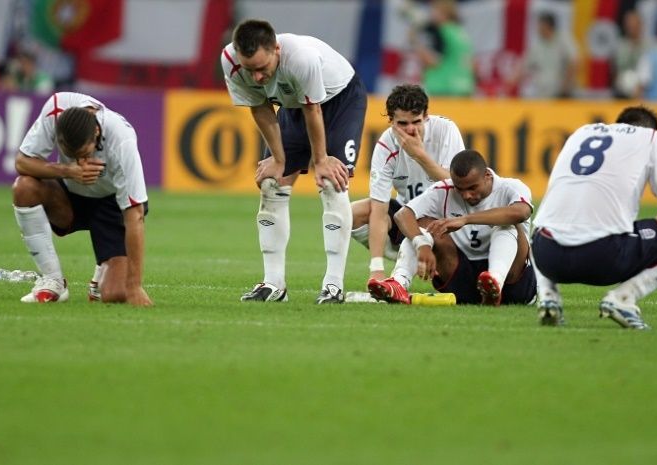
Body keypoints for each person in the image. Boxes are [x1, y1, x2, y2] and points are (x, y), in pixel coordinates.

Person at [220, 19, 367, 304]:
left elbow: (313, 110)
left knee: (331, 182)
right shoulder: (231, 61)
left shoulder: (300, 58)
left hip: (339, 100)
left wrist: (321, 160)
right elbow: (260, 107)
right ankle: (274, 284)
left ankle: (333, 285)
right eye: (251, 70)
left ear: (276, 48)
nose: (258, 78)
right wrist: (277, 159)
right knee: (271, 184)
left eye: (263, 68)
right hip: (292, 104)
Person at [532, 106, 657, 329]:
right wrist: (653, 243)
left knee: (547, 220)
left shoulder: (581, 133)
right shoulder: (650, 137)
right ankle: (624, 298)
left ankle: (547, 294)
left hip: (546, 256)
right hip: (602, 258)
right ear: (651, 129)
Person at [12, 92, 152, 306]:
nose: (80, 160)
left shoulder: (121, 139)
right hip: (69, 196)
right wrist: (68, 170)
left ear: (96, 132)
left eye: (84, 152)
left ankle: (103, 270)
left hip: (110, 203)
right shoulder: (56, 110)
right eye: (72, 154)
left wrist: (134, 287)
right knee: (24, 187)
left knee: (116, 294)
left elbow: (135, 214)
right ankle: (53, 281)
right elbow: (22, 163)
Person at [372, 149, 536, 306]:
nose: (466, 195)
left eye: (472, 187)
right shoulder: (444, 189)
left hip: (514, 285)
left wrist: (465, 219)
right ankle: (398, 282)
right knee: (425, 228)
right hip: (462, 281)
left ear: (487, 175)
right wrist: (421, 244)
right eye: (460, 189)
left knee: (507, 226)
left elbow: (521, 212)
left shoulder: (511, 187)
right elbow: (402, 215)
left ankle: (495, 283)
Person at [351, 84, 464, 297]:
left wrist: (419, 155)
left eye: (416, 122)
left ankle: (407, 269)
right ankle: (397, 258)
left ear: (426, 116)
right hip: (407, 220)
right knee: (351, 213)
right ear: (391, 122)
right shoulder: (386, 145)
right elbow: (379, 208)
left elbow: (459, 186)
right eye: (402, 123)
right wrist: (376, 269)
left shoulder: (445, 131)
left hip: (447, 223)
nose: (410, 130)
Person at [409, 0, 474, 97]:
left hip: (444, 87)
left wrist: (415, 42)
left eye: (434, 11)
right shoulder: (459, 32)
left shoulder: (442, 31)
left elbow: (434, 61)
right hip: (464, 87)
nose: (431, 15)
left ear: (443, 13)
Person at [511, 12, 579, 99]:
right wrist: (510, 82)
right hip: (543, 95)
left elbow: (575, 62)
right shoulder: (537, 45)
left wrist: (564, 87)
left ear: (548, 26)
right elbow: (524, 68)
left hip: (563, 95)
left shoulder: (564, 39)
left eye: (540, 26)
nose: (538, 29)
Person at [612, 10, 652, 99]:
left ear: (641, 25)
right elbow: (614, 71)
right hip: (622, 92)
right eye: (629, 24)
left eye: (635, 24)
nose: (632, 27)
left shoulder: (651, 46)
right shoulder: (619, 46)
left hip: (645, 92)